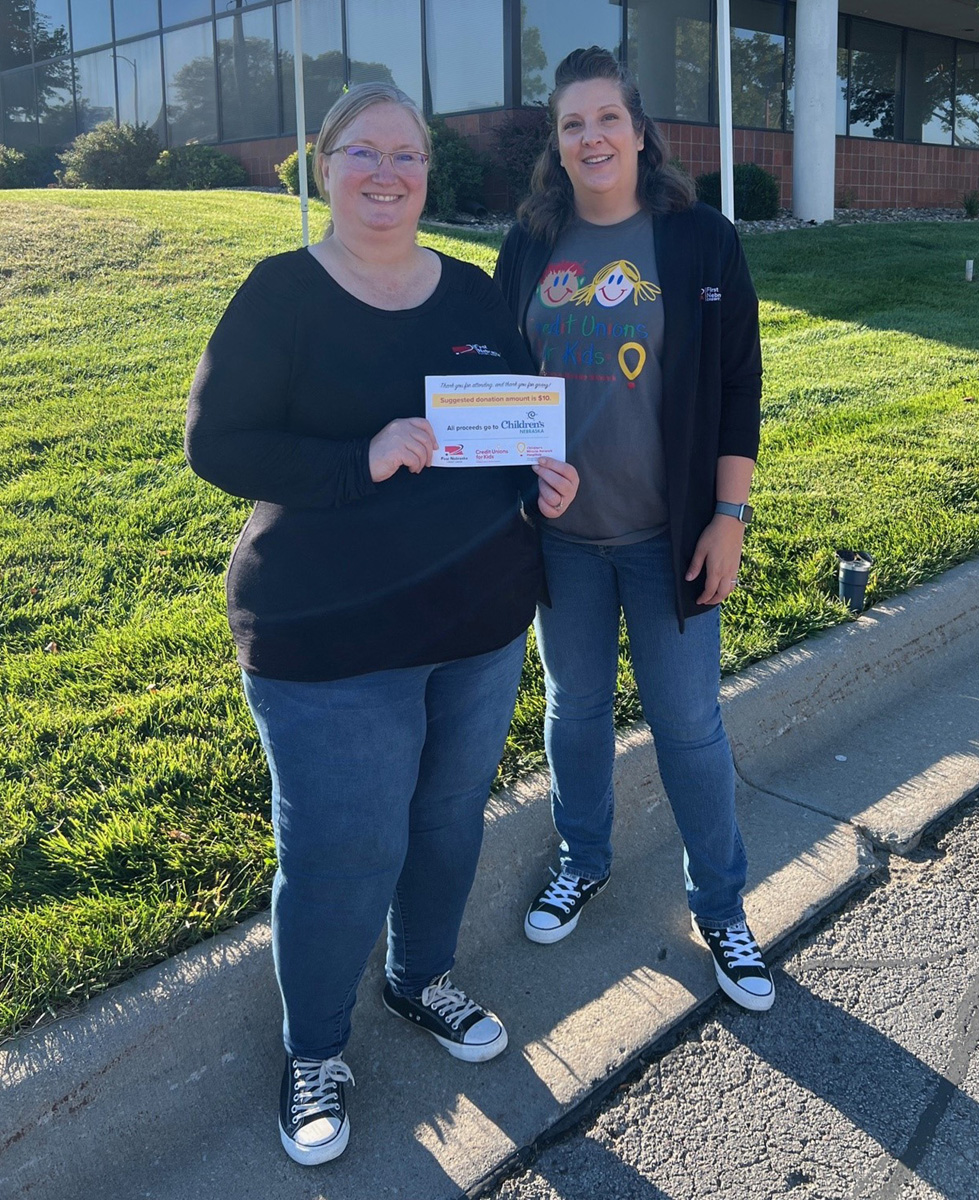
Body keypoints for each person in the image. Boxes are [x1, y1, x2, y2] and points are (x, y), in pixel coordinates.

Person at [185, 83, 578, 1167]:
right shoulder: (281, 295)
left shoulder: (472, 294)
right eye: (365, 153)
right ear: (326, 165)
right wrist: (356, 460)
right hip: (328, 632)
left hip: (479, 619)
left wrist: (541, 482)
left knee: (450, 820)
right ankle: (315, 1048)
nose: (388, 173)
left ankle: (420, 978)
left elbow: (506, 418)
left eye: (407, 155)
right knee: (342, 848)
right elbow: (219, 445)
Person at [494, 47, 775, 1013]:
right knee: (574, 714)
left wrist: (727, 519)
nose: (592, 137)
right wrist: (521, 472)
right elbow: (499, 387)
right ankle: (584, 859)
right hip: (562, 546)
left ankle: (723, 905)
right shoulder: (532, 242)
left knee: (689, 728)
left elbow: (739, 383)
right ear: (557, 145)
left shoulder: (698, 239)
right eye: (572, 125)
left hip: (669, 539)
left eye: (606, 118)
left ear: (639, 128)